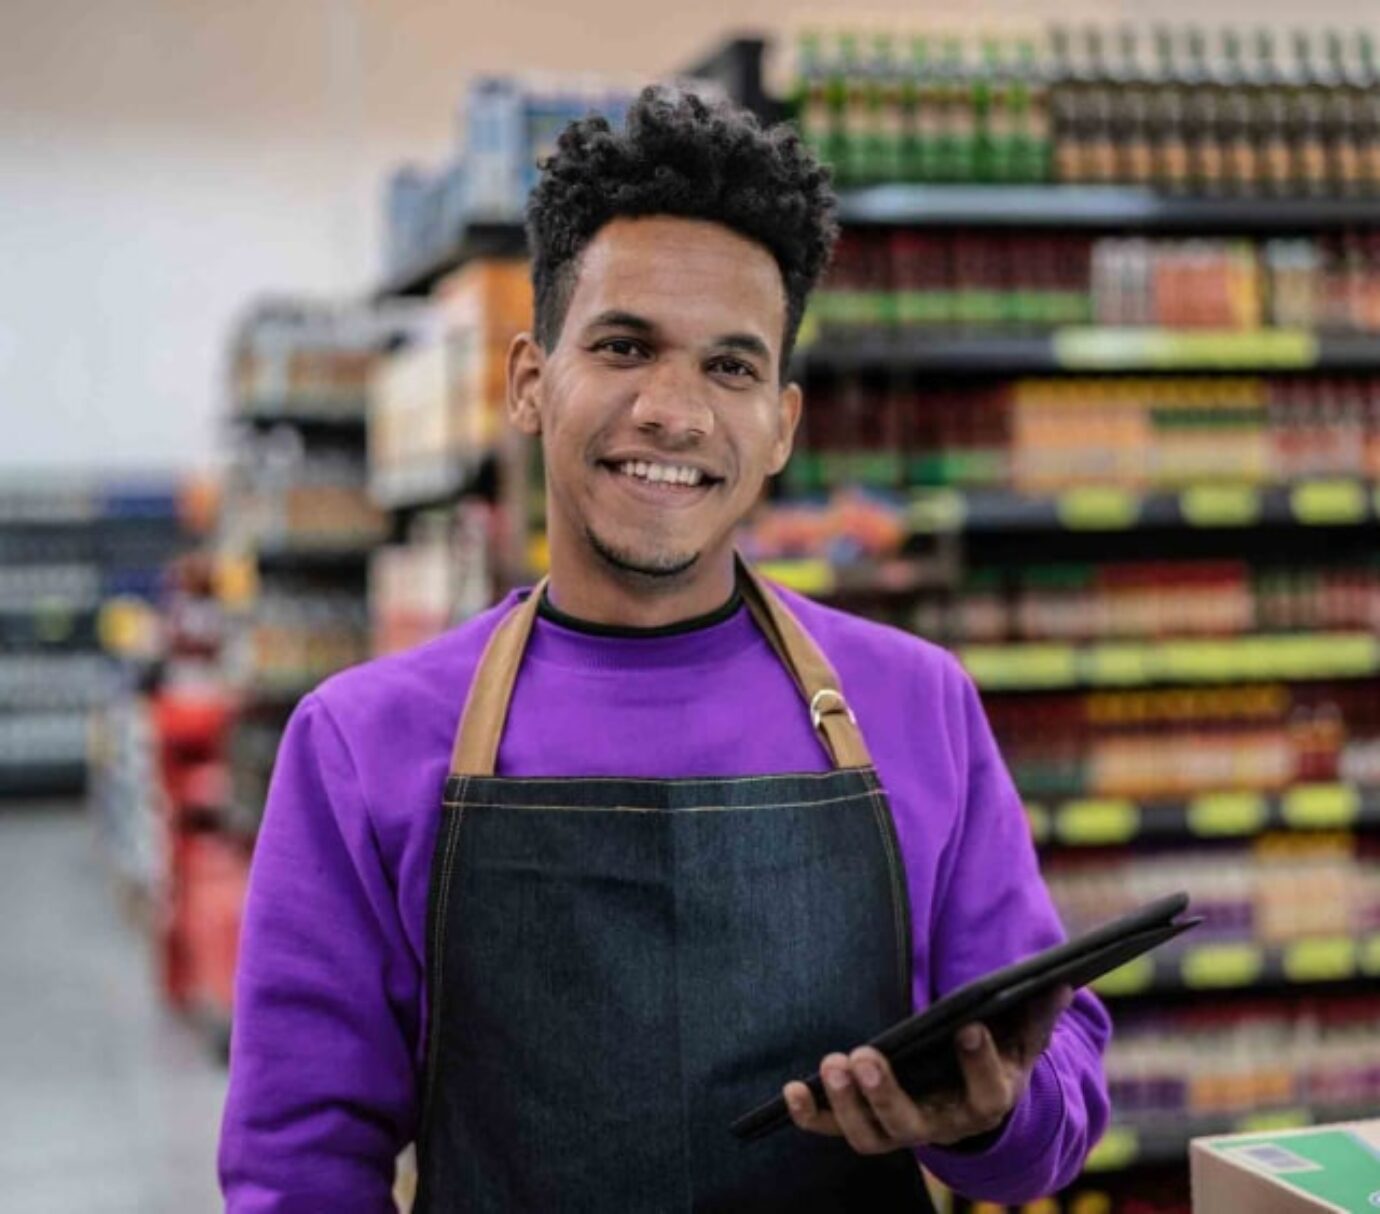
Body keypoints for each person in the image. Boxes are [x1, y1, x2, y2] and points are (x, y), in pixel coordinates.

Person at [219, 87, 1110, 1212]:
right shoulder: (362, 741)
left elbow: (1057, 1086)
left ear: (782, 423)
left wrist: (996, 1115)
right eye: (626, 344)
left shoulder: (917, 704)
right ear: (531, 383)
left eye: (730, 367)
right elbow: (296, 1170)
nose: (673, 410)